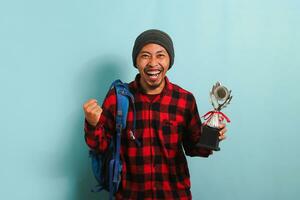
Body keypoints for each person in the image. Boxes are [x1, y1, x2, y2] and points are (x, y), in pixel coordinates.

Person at [83, 29, 227, 200]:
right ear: (136, 61)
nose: (153, 63)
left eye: (160, 55)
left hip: (174, 195)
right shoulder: (118, 97)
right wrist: (92, 124)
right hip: (130, 195)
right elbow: (100, 146)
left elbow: (193, 148)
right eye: (145, 55)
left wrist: (211, 138)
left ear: (169, 61)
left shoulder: (184, 99)